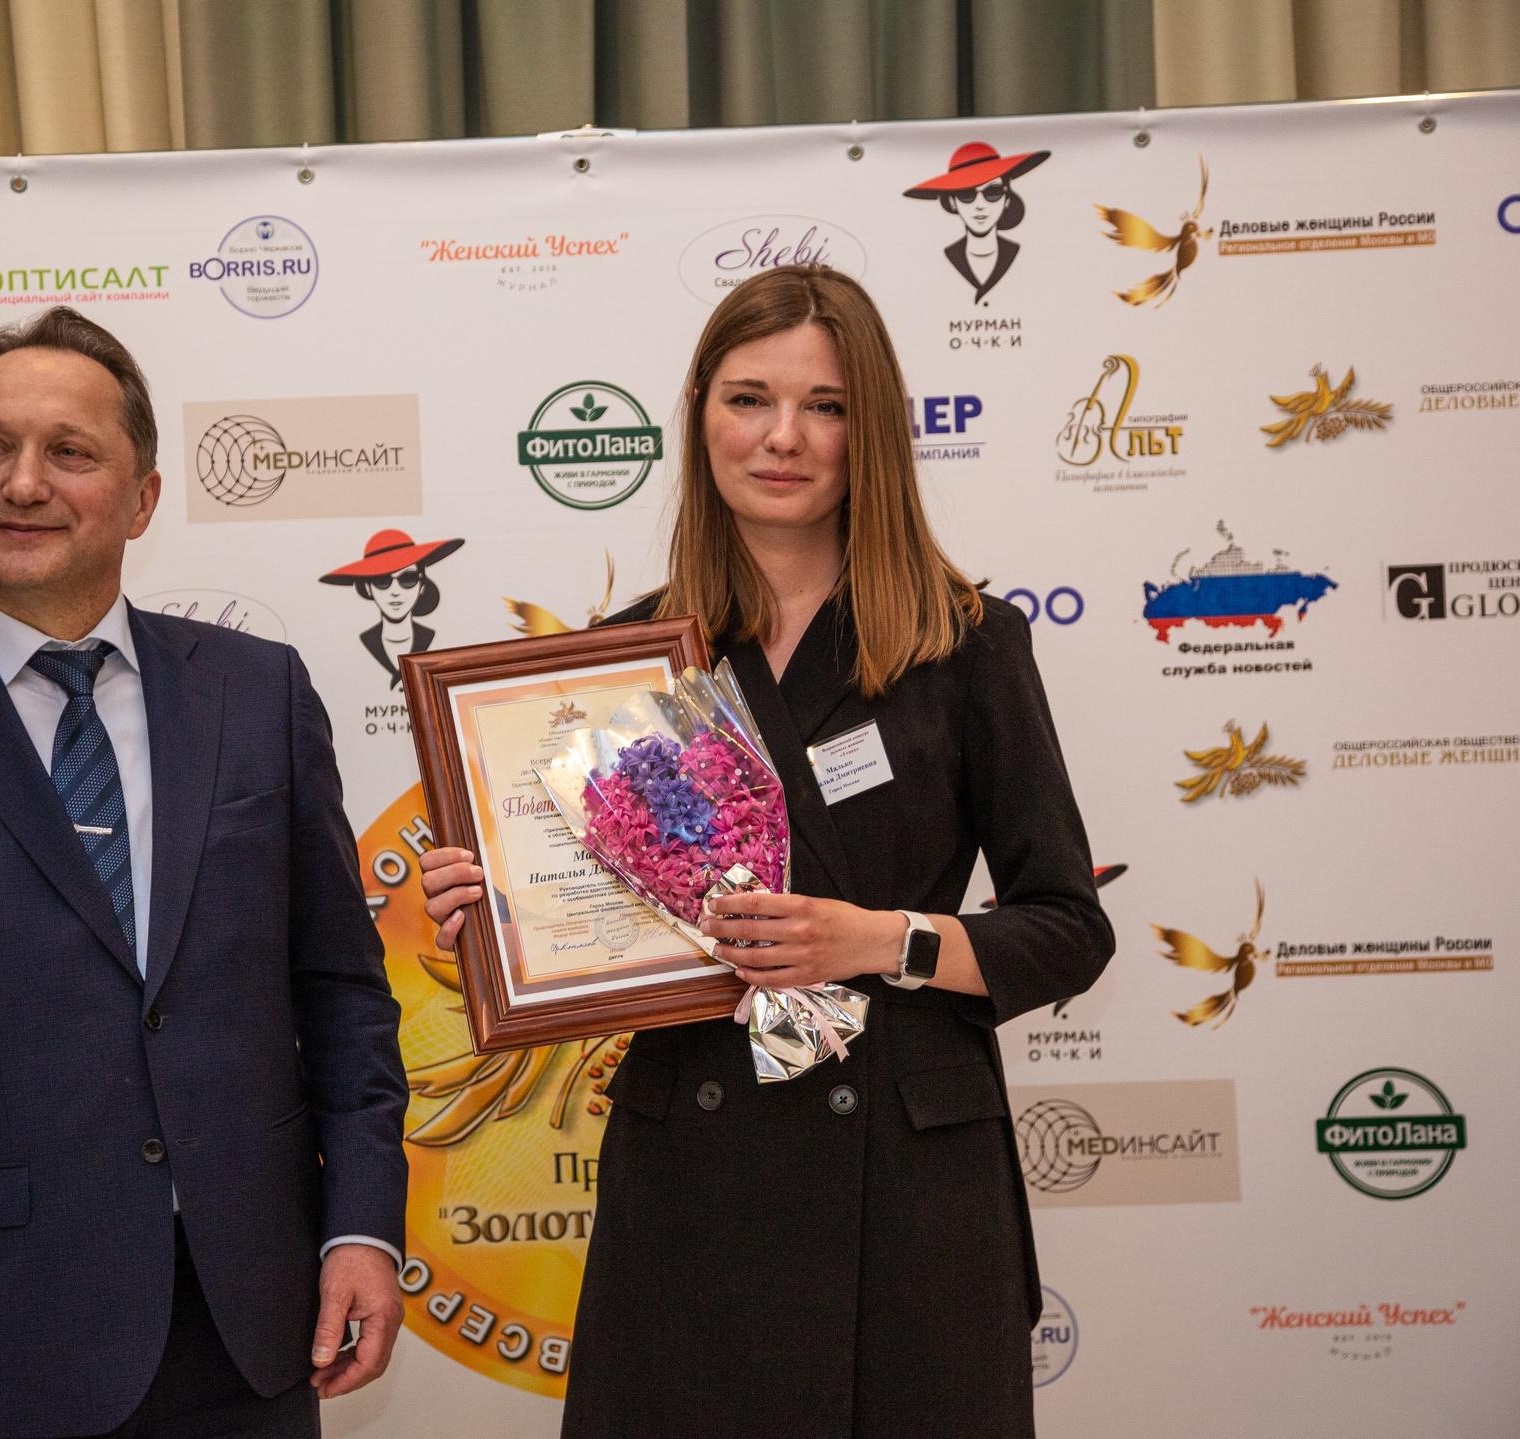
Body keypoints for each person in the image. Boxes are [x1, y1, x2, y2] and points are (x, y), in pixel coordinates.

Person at [419, 265, 1112, 1437]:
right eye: (748, 398)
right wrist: (496, 908)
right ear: (699, 415)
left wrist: (877, 940)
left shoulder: (965, 642)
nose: (782, 436)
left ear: (869, 429)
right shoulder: (624, 660)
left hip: (905, 1186)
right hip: (694, 1182)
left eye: (823, 405)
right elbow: (592, 927)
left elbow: (1066, 928)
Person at [0, 307, 408, 1439]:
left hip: (248, 1326)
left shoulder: (260, 695)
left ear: (142, 496)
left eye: (70, 451)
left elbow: (341, 995)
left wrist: (361, 1225)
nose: (23, 483)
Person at [903, 141, 1050, 306]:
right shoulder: (940, 259)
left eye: (992, 192)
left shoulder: (1026, 255)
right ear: (952, 202)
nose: (980, 205)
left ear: (1007, 198)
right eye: (966, 194)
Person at [317, 527, 465, 689]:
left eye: (408, 578)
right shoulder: (360, 644)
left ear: (421, 585)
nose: (395, 591)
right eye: (382, 580)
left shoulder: (433, 637)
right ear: (368, 588)